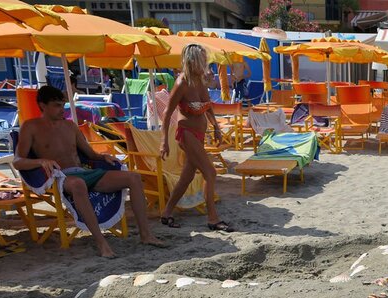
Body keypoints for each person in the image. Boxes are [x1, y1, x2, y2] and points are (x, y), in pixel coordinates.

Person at [13, 86, 165, 258]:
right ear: (42, 105)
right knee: (78, 184)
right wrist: (40, 161)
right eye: (56, 105)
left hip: (83, 172)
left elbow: (89, 154)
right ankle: (102, 243)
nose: (61, 109)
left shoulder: (70, 125)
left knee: (134, 177)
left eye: (62, 105)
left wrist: (103, 157)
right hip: (60, 176)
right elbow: (18, 162)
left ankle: (146, 235)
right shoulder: (31, 126)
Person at [159, 44, 230, 232]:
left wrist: (215, 126)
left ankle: (166, 213)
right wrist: (163, 141)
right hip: (186, 133)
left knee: (187, 177)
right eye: (202, 61)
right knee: (211, 172)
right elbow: (167, 113)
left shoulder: (199, 80)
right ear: (192, 61)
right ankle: (213, 219)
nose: (205, 64)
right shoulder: (182, 82)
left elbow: (208, 105)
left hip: (198, 135)